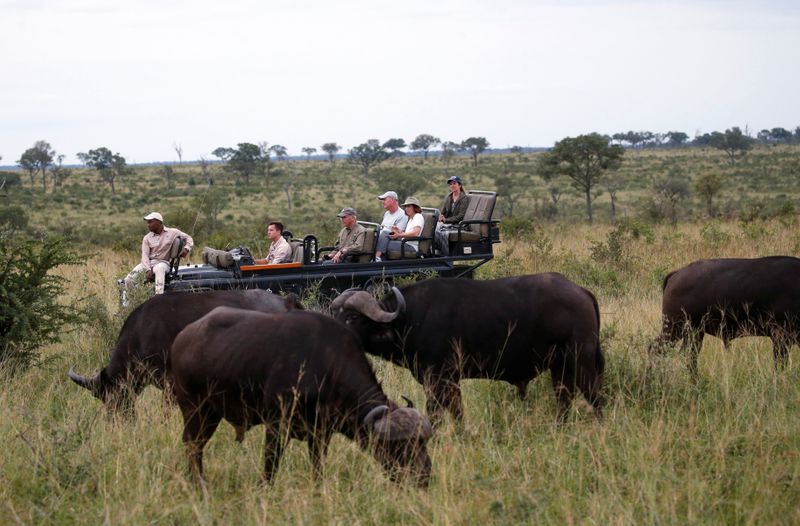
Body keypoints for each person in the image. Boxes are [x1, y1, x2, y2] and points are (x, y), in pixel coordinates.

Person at [123, 212, 193, 294]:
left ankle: (158, 299)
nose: (148, 225)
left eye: (150, 222)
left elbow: (189, 238)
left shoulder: (173, 232)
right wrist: (148, 269)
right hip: (147, 263)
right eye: (147, 222)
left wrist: (186, 249)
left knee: (159, 268)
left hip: (163, 262)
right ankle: (134, 300)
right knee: (128, 279)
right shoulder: (147, 238)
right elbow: (145, 256)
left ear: (159, 222)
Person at [374, 196, 425, 261]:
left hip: (411, 246)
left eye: (409, 206)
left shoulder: (417, 216)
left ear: (415, 207)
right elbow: (408, 233)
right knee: (386, 233)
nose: (406, 209)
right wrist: (399, 231)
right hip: (405, 242)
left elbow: (415, 233)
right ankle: (378, 259)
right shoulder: (411, 218)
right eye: (405, 207)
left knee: (385, 244)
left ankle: (377, 259)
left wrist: (399, 235)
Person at [435, 175, 470, 256]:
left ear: (460, 185)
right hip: (448, 222)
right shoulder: (449, 197)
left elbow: (460, 216)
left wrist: (446, 220)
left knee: (441, 232)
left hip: (458, 224)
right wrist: (441, 217)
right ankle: (435, 251)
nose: (452, 186)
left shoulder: (464, 198)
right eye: (450, 184)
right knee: (433, 228)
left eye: (454, 183)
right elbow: (443, 211)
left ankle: (445, 254)